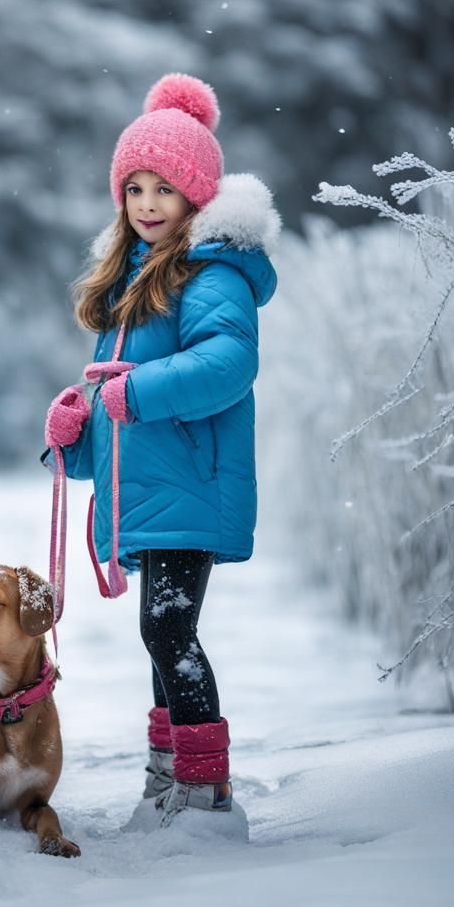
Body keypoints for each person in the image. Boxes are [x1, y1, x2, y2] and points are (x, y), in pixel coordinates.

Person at [42, 72, 280, 830]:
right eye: (134, 188)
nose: (146, 203)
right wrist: (77, 435)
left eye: (164, 189)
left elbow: (227, 365)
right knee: (160, 635)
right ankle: (168, 779)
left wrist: (135, 392)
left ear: (197, 197)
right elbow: (120, 408)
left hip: (191, 485)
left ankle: (205, 793)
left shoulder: (211, 273)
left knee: (167, 630)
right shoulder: (134, 281)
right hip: (153, 489)